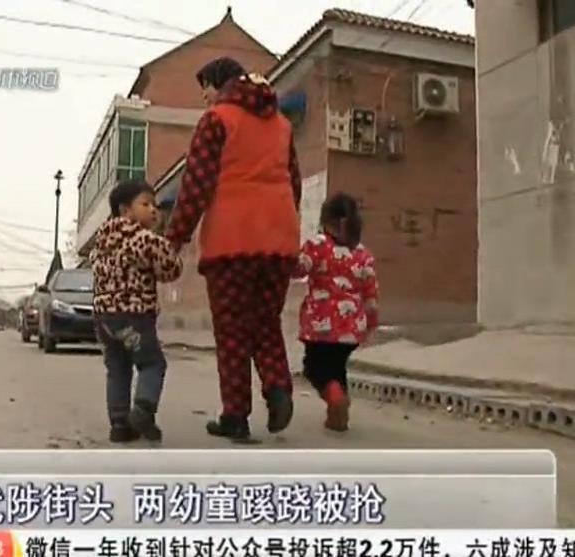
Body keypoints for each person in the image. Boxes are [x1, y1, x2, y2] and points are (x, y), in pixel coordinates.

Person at [165, 57, 303, 440]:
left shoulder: (216, 120)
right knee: (265, 322)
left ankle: (236, 416)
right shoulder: (282, 124)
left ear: (219, 83)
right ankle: (278, 387)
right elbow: (293, 184)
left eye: (205, 88)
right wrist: (286, 230)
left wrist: (175, 238)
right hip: (278, 240)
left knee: (232, 331)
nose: (204, 97)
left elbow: (197, 184)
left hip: (231, 241)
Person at [89, 179, 183, 443]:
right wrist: (166, 243)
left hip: (104, 320)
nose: (153, 210)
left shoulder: (101, 243)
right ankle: (143, 410)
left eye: (155, 205)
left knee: (117, 369)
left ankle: (119, 425)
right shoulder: (144, 239)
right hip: (134, 316)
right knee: (152, 362)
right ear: (125, 210)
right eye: (146, 204)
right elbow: (171, 269)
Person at [293, 193, 379, 431]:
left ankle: (336, 399)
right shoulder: (363, 255)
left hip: (321, 325)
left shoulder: (317, 246)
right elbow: (371, 295)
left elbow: (298, 269)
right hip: (351, 327)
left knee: (314, 368)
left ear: (326, 220)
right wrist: (371, 323)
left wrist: (286, 256)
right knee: (336, 367)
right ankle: (337, 415)